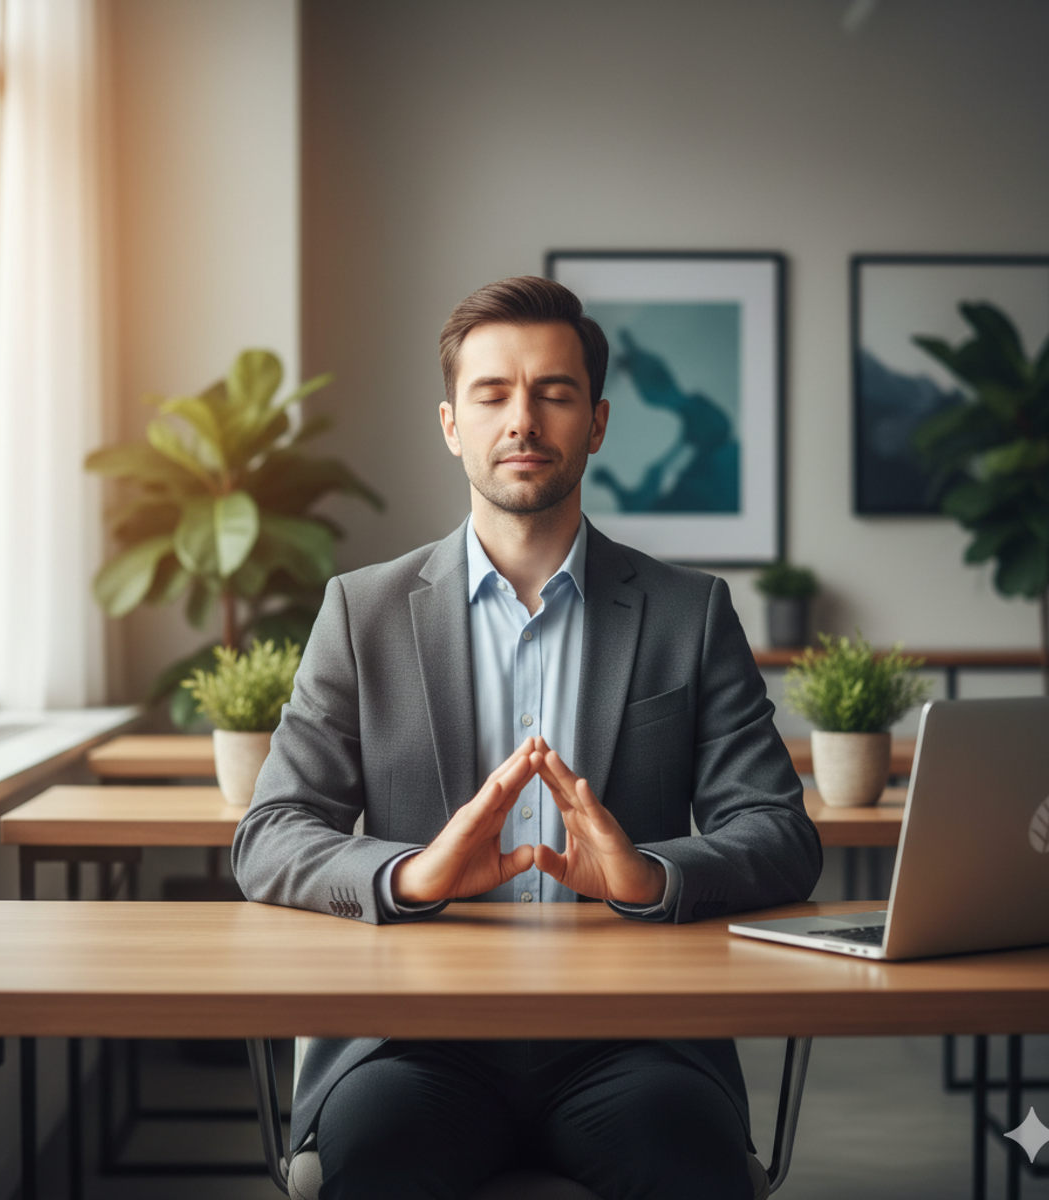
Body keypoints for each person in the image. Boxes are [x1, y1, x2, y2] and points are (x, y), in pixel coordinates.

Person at [232, 275, 822, 1199]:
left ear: (596, 421)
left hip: (635, 1043)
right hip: (413, 1043)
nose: (524, 420)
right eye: (492, 393)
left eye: (554, 392)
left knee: (690, 1171)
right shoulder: (363, 611)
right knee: (379, 1169)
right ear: (450, 424)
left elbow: (781, 836)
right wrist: (410, 875)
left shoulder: (689, 613)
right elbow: (270, 834)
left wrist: (649, 876)